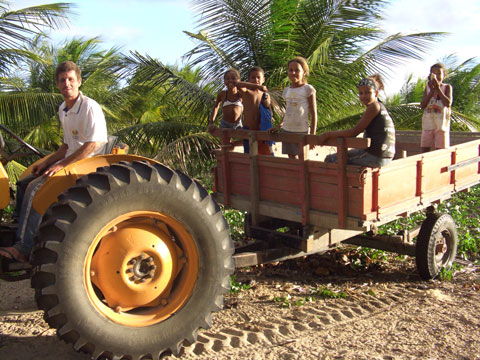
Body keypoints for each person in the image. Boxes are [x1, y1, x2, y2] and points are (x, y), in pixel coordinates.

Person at [0, 60, 108, 263]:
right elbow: (66, 146)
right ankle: (20, 232)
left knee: (36, 188)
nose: (67, 84)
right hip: (71, 160)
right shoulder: (63, 109)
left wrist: (62, 165)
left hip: (88, 162)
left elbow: (95, 143)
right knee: (24, 183)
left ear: (79, 82)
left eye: (70, 79)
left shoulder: (89, 107)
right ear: (57, 85)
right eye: (62, 80)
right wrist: (47, 161)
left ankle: (24, 248)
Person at [319, 74, 395, 167]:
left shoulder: (373, 106)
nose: (363, 96)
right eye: (361, 93)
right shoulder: (380, 106)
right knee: (349, 154)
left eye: (367, 92)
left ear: (375, 93)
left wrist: (328, 134)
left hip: (375, 156)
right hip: (384, 155)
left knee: (330, 159)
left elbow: (354, 132)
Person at [269, 57, 317, 159]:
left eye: (297, 70)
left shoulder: (308, 89)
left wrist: (312, 136)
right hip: (287, 130)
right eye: (290, 70)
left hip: (301, 130)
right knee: (291, 159)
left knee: (302, 160)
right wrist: (279, 126)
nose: (293, 72)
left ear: (304, 72)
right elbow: (288, 111)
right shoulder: (286, 90)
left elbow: (314, 115)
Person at [235, 66, 273, 155]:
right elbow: (237, 83)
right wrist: (256, 86)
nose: (256, 80)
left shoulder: (265, 95)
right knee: (250, 155)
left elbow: (270, 112)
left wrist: (267, 104)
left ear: (263, 79)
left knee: (266, 155)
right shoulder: (246, 92)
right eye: (253, 77)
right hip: (248, 128)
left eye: (258, 77)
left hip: (263, 129)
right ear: (248, 79)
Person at [419, 63, 453, 152]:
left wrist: (437, 88)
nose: (436, 76)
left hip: (441, 125)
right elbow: (422, 105)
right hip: (428, 123)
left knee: (441, 150)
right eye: (434, 74)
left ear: (444, 75)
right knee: (425, 148)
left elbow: (448, 103)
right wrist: (432, 91)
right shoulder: (428, 88)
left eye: (439, 73)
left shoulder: (446, 87)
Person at [208, 68, 244, 133]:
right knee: (225, 142)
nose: (230, 80)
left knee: (243, 140)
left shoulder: (241, 94)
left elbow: (249, 107)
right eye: (227, 79)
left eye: (233, 78)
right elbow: (216, 107)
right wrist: (211, 122)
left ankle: (233, 144)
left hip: (238, 124)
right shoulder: (222, 94)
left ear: (238, 80)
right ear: (224, 82)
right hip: (224, 124)